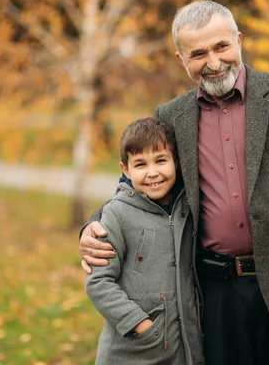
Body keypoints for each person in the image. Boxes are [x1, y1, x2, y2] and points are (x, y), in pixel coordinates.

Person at [81, 0, 269, 365]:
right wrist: (94, 223)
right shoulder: (171, 115)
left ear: (239, 40)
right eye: (198, 53)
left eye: (221, 47)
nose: (213, 62)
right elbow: (138, 182)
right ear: (182, 59)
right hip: (216, 294)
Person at [85, 117, 204, 365]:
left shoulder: (188, 208)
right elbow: (98, 282)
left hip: (183, 351)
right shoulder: (117, 214)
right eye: (140, 164)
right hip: (131, 352)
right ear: (126, 170)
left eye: (161, 160)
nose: (153, 173)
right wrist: (142, 325)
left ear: (176, 162)